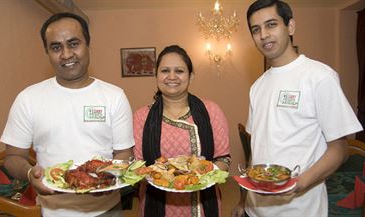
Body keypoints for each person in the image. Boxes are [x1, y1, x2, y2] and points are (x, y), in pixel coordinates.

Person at [231, 0, 364, 217]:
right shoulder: (257, 86)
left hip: (300, 209)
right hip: (256, 210)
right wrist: (243, 201)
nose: (263, 34)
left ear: (290, 26)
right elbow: (257, 152)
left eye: (271, 24)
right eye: (256, 29)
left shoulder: (319, 77)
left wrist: (300, 184)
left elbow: (340, 149)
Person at [0, 12, 134, 217]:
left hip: (107, 210)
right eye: (56, 47)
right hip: (51, 210)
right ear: (47, 52)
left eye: (73, 44)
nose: (66, 54)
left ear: (88, 44)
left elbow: (124, 153)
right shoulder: (28, 98)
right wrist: (30, 173)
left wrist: (110, 177)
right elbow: (12, 157)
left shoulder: (114, 97)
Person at [133, 45, 231, 217]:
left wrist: (201, 176)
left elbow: (223, 159)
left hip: (202, 204)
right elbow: (138, 165)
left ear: (191, 76)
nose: (172, 77)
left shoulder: (211, 111)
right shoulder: (142, 117)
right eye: (165, 71)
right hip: (155, 204)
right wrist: (159, 177)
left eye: (179, 71)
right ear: (156, 75)